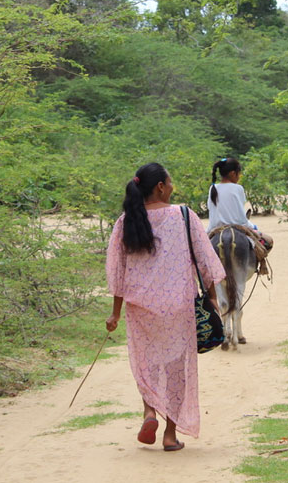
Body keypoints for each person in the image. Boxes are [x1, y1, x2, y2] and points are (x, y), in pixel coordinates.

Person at [105, 162, 226, 452]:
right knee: (175, 368)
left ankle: (149, 411)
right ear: (160, 186)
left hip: (140, 308)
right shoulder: (183, 215)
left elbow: (118, 271)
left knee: (146, 362)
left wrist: (115, 312)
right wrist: (212, 297)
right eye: (170, 183)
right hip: (178, 306)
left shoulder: (126, 221)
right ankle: (170, 435)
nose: (172, 188)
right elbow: (204, 260)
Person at [206, 157, 273, 266]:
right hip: (238, 227)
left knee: (196, 251)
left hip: (214, 228)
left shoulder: (212, 188)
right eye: (239, 174)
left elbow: (212, 213)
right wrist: (252, 226)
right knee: (268, 241)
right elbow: (240, 217)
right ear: (233, 173)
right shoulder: (238, 188)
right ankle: (257, 265)